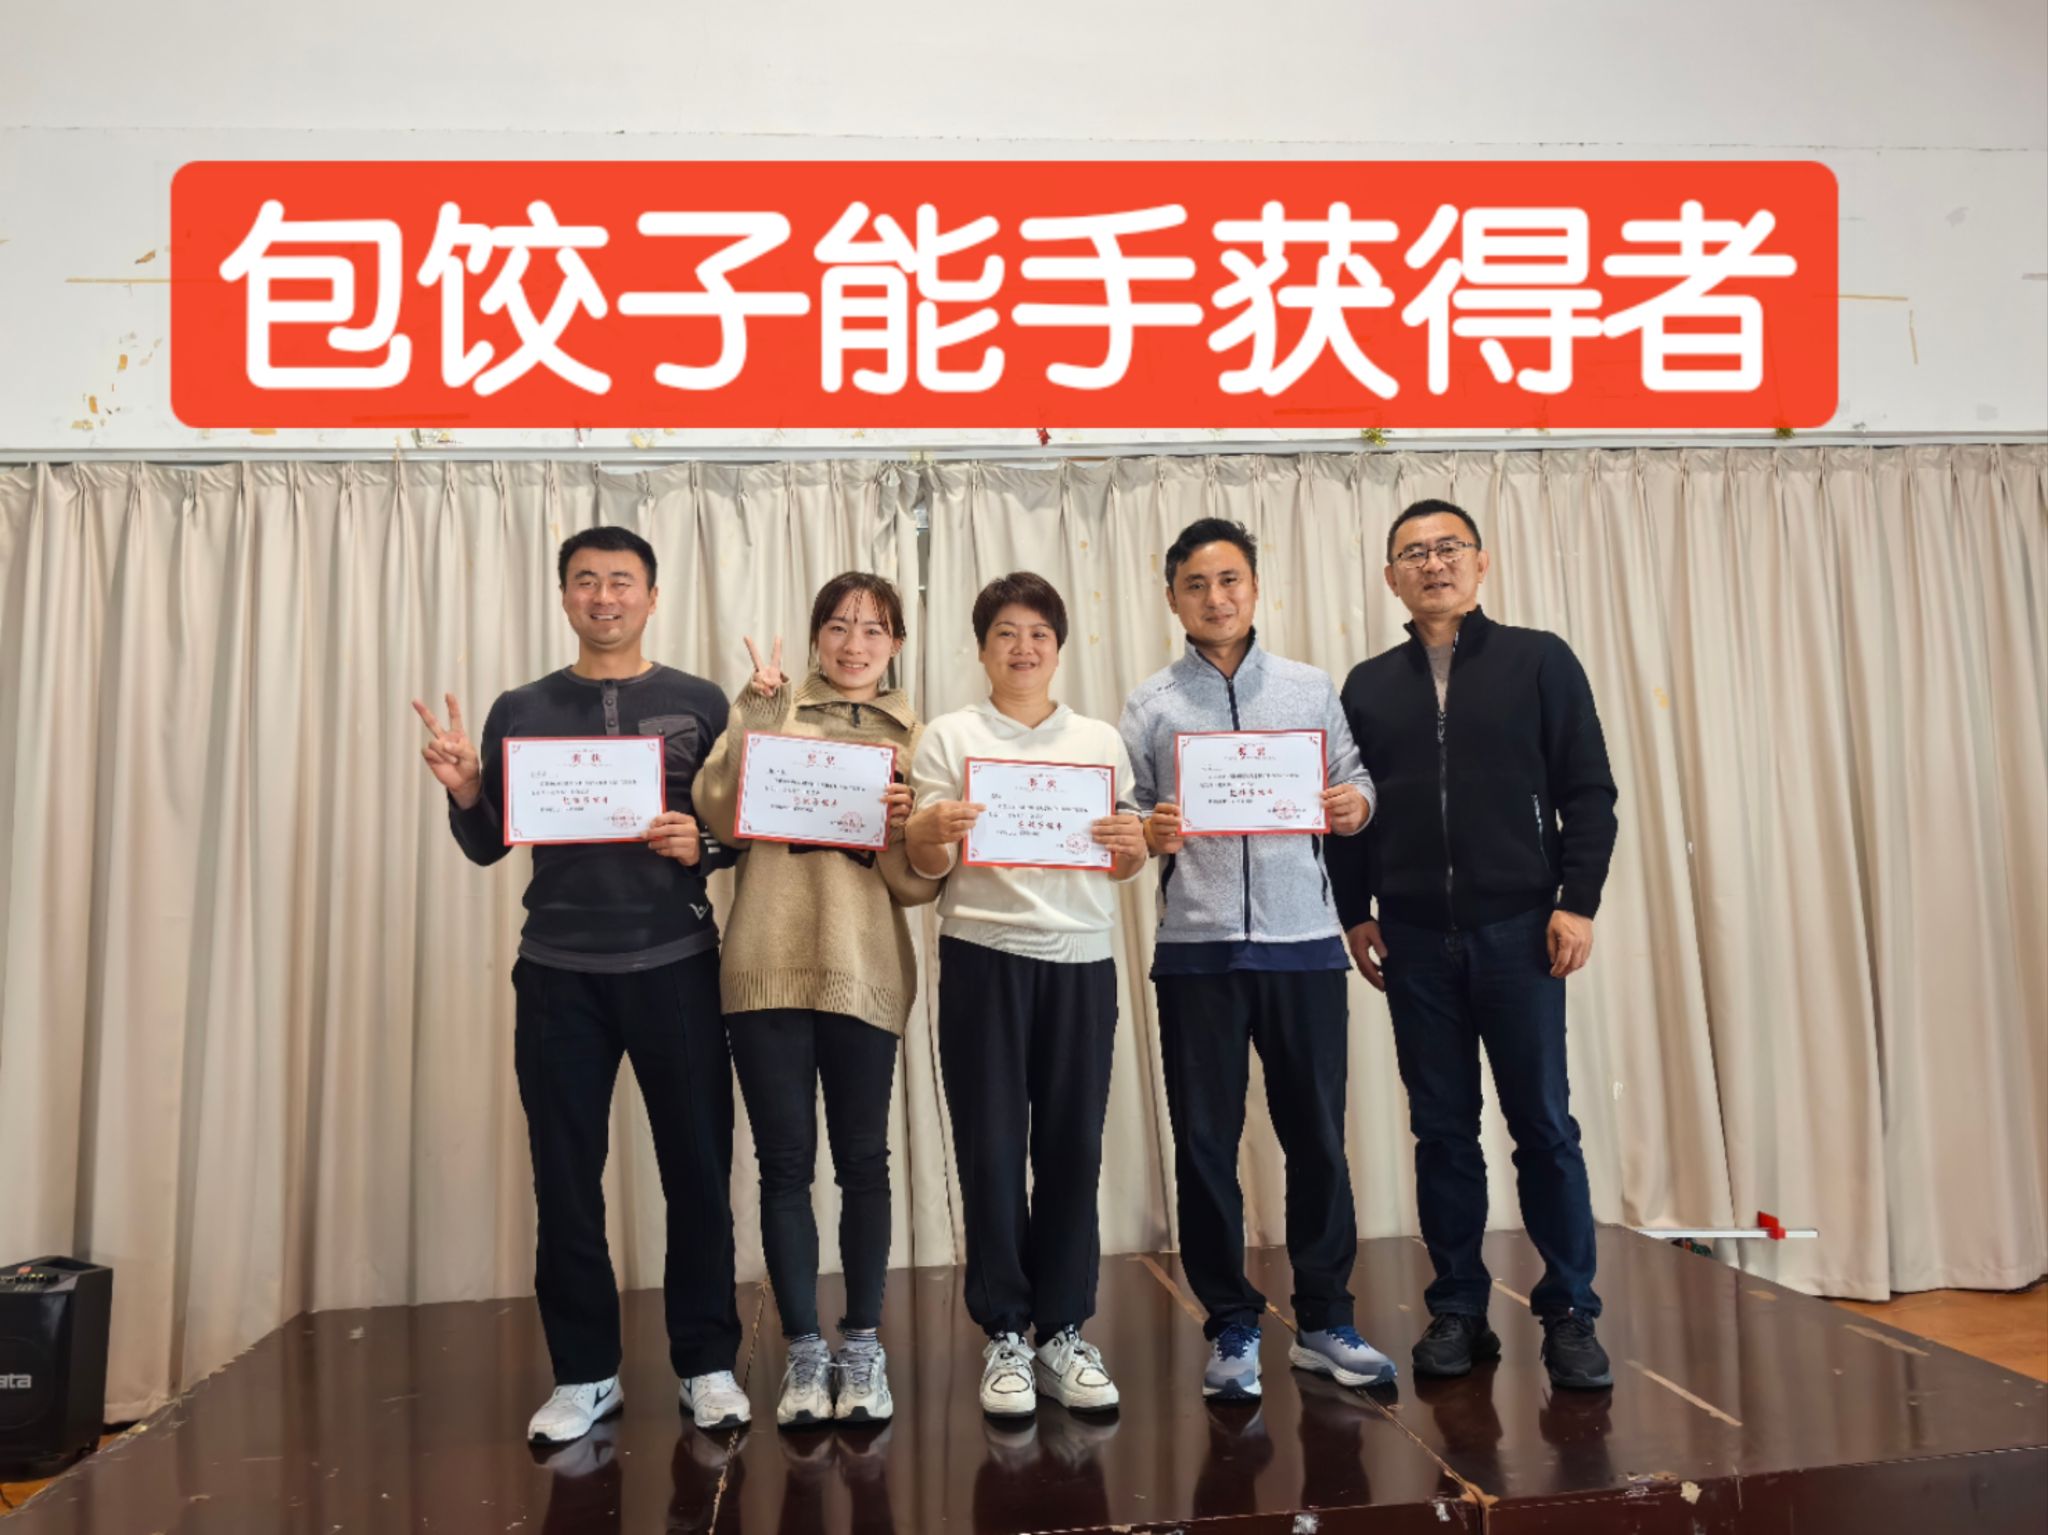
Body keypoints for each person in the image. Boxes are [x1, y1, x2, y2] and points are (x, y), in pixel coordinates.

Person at [412, 525, 749, 1445]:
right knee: (564, 1177)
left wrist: (700, 844)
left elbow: (735, 830)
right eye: (587, 581)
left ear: (652, 595)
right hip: (559, 972)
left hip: (676, 962)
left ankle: (708, 1363)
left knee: (698, 1169)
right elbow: (491, 844)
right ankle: (584, 1372)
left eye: (622, 581)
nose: (605, 596)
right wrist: (466, 789)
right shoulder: (520, 707)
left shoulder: (699, 701)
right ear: (564, 596)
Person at [1328, 497, 1619, 1391]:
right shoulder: (1367, 685)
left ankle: (1569, 1310)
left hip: (1520, 931)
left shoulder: (1539, 659)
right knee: (1443, 1131)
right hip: (1413, 936)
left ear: (1481, 562)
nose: (1433, 563)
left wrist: (1576, 902)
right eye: (1413, 553)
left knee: (1544, 1126)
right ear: (1391, 578)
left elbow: (1589, 790)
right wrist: (1354, 909)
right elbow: (1349, 808)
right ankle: (1458, 1305)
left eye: (1448, 547)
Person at [1117, 517, 1398, 1401]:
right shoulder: (1151, 702)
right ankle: (1231, 1322)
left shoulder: (1310, 688)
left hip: (1303, 946)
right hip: (1196, 950)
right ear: (1173, 599)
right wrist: (1149, 828)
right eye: (1196, 584)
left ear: (1255, 586)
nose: (1216, 597)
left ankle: (1325, 1319)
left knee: (1317, 1137)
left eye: (1229, 579)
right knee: (1205, 1144)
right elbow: (1126, 810)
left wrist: (1354, 805)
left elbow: (1356, 777)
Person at [691, 572, 936, 1430]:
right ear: (815, 635)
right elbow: (721, 816)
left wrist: (909, 825)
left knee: (865, 1161)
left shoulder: (918, 737)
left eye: (873, 629)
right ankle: (803, 1348)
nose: (854, 643)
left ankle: (861, 1343)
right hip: (765, 965)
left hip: (864, 969)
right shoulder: (774, 708)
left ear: (896, 643)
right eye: (838, 625)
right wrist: (753, 713)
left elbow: (916, 884)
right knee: (784, 1164)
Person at [905, 572, 1150, 1418]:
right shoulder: (950, 735)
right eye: (1006, 632)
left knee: (1074, 1145)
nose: (1023, 647)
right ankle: (1006, 1329)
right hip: (983, 954)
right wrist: (926, 833)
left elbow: (1124, 859)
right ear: (982, 648)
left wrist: (1132, 847)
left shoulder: (1100, 739)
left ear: (1059, 646)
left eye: (1039, 632)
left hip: (1082, 958)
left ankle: (1064, 1329)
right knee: (993, 1146)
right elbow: (929, 866)